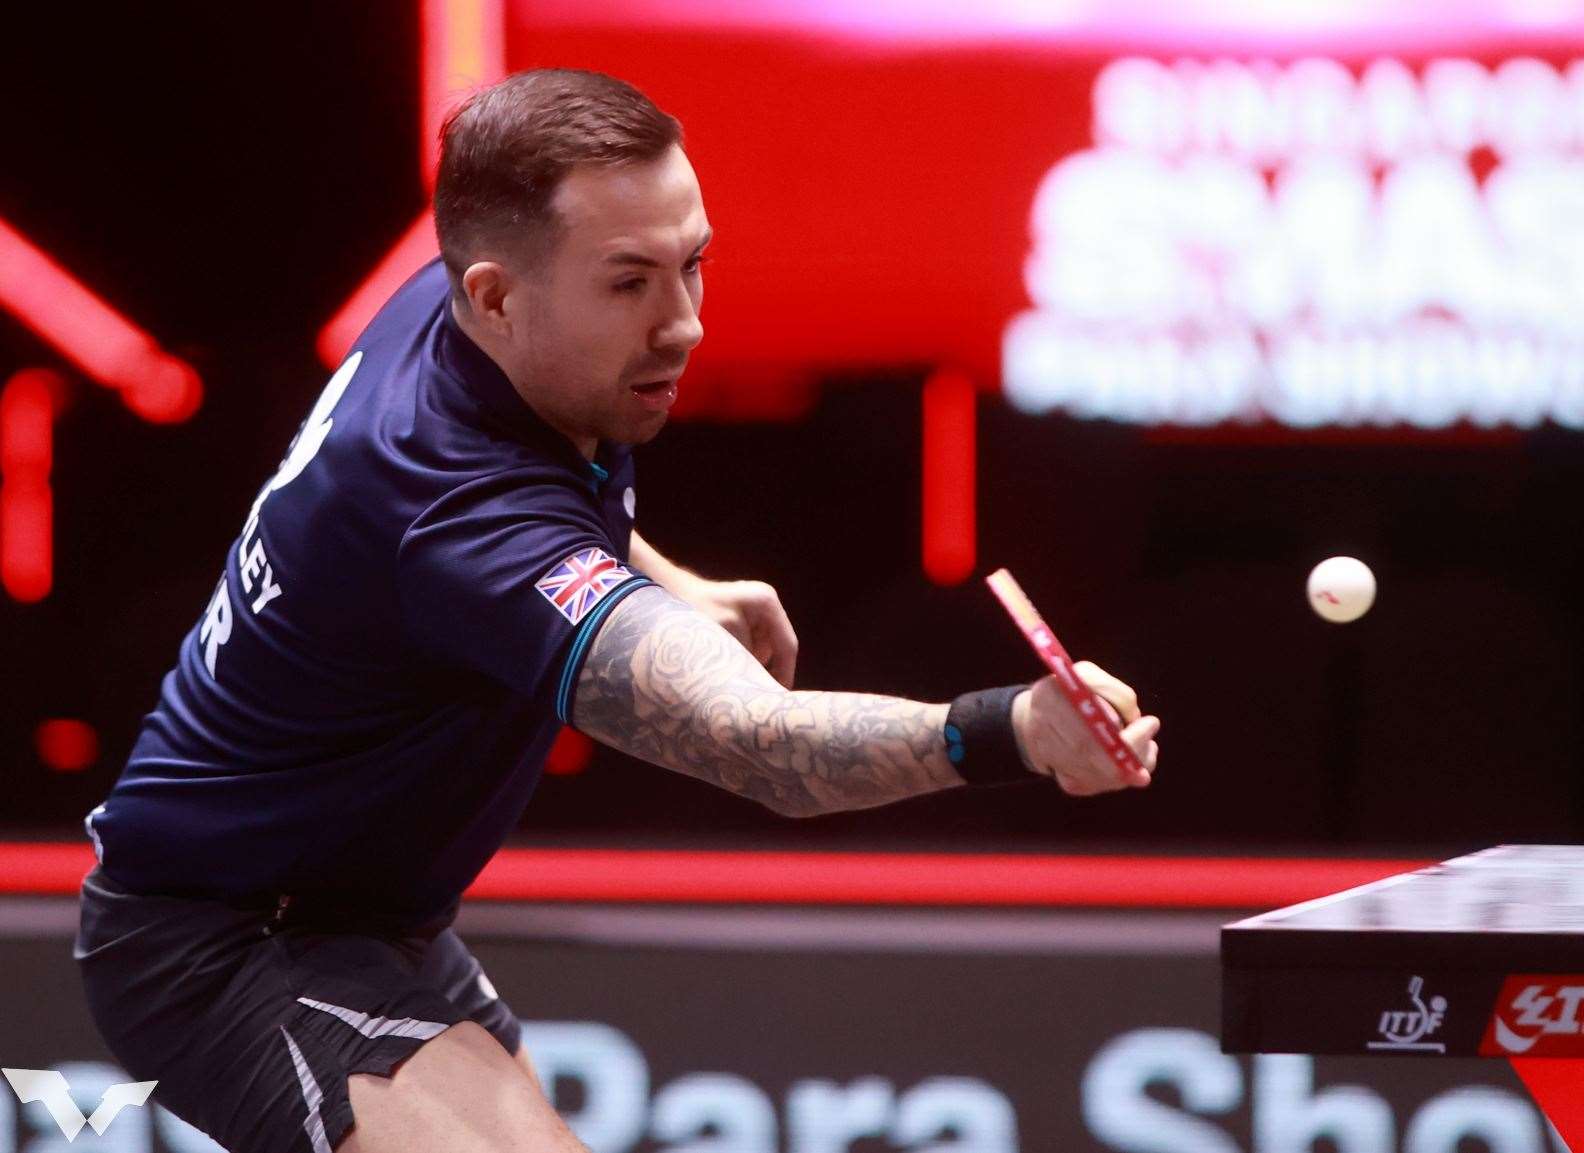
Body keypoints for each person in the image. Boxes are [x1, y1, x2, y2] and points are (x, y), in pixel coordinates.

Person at [73, 68, 1162, 1153]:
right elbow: (763, 746)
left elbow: (526, 513)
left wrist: (667, 582)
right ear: (496, 295)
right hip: (227, 937)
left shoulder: (459, 306)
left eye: (694, 265)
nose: (683, 325)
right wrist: (1010, 728)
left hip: (366, 914)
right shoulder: (448, 507)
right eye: (631, 282)